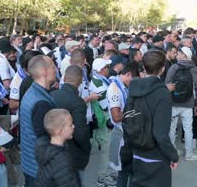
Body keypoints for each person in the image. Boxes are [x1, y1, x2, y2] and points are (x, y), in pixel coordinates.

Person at [127, 50, 179, 187]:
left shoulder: (133, 88)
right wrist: (173, 155)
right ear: (162, 69)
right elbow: (160, 134)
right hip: (156, 157)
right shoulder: (163, 94)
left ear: (143, 67)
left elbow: (127, 118)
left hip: (136, 152)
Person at [20, 55, 57, 186]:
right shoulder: (41, 102)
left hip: (31, 165)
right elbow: (45, 140)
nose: (56, 69)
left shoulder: (34, 92)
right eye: (53, 66)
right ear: (44, 71)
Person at [51, 65, 91, 186]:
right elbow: (80, 132)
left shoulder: (52, 95)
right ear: (80, 81)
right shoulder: (77, 101)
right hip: (72, 155)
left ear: (65, 78)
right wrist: (86, 149)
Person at [165, 47, 197, 161]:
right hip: (188, 103)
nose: (177, 55)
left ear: (185, 56)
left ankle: (172, 152)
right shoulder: (196, 70)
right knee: (188, 128)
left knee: (171, 128)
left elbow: (167, 84)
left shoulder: (174, 67)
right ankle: (189, 154)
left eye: (179, 54)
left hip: (173, 102)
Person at [106, 62, 139, 186]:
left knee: (126, 170)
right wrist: (134, 112)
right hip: (121, 134)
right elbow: (116, 117)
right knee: (124, 170)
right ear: (128, 74)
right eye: (133, 80)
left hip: (126, 133)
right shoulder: (115, 89)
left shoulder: (122, 86)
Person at [35, 109, 80, 187]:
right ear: (59, 131)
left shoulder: (44, 149)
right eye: (70, 125)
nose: (73, 126)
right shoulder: (63, 160)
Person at [88, 58, 114, 186]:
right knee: (106, 149)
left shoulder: (98, 80)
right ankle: (102, 177)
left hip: (100, 119)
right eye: (106, 67)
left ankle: (107, 172)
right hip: (104, 121)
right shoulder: (100, 85)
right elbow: (105, 106)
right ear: (101, 70)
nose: (108, 69)